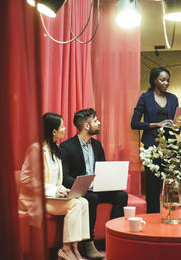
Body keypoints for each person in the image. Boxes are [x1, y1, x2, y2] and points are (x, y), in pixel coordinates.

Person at [19, 112, 90, 260]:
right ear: (53, 131)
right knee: (75, 204)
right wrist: (53, 189)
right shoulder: (36, 149)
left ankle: (75, 248)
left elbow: (54, 179)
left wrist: (62, 189)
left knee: (84, 202)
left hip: (51, 196)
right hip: (36, 199)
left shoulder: (55, 149)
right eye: (62, 126)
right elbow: (25, 180)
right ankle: (65, 249)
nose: (65, 129)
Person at [61, 108, 128, 259]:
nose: (99, 123)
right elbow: (64, 177)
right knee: (92, 198)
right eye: (95, 121)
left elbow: (103, 169)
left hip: (98, 187)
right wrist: (84, 185)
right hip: (82, 190)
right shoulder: (67, 146)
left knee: (121, 196)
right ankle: (88, 243)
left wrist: (110, 180)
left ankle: (113, 237)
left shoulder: (97, 145)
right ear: (86, 126)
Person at [131, 66, 181, 213]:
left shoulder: (173, 98)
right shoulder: (145, 98)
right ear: (155, 80)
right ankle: (152, 217)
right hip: (151, 147)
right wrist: (156, 124)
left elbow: (175, 124)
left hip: (170, 146)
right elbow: (134, 123)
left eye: (168, 80)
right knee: (153, 186)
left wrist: (180, 126)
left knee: (172, 184)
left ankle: (173, 215)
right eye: (162, 80)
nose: (166, 83)